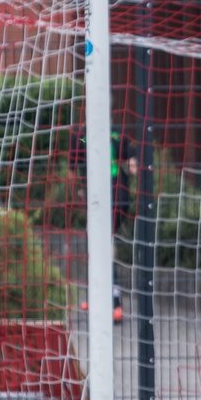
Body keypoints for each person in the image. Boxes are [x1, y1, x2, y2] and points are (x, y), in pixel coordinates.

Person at [70, 126, 137, 323]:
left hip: (106, 198)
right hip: (118, 197)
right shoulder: (116, 133)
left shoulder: (85, 135)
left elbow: (74, 163)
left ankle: (114, 303)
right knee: (101, 246)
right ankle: (98, 296)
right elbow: (132, 159)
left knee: (103, 247)